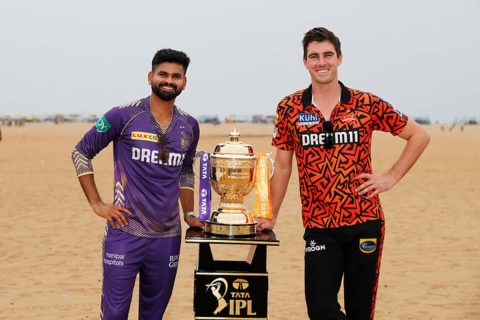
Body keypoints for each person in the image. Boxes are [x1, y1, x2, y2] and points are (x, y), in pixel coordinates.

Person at [256, 27, 430, 319]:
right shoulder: (290, 108)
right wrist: (271, 214)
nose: (321, 62)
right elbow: (284, 165)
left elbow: (419, 136)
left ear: (339, 58)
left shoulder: (365, 103)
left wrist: (391, 177)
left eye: (327, 55)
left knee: (360, 311)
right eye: (314, 56)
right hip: (319, 223)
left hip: (365, 221)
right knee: (321, 309)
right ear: (305, 62)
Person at [71, 48, 203, 320]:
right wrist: (97, 204)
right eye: (163, 74)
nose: (169, 80)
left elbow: (186, 170)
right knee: (114, 315)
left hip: (167, 238)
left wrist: (189, 213)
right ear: (150, 76)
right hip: (125, 232)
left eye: (176, 76)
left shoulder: (189, 125)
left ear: (184, 82)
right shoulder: (123, 115)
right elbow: (81, 152)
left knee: (153, 316)